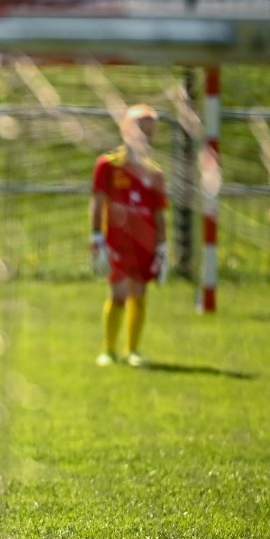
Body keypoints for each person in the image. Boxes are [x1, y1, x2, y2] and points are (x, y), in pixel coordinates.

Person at [91, 104, 168, 367]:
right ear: (125, 130)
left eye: (150, 131)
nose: (144, 136)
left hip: (144, 244)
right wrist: (96, 238)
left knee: (139, 293)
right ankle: (109, 350)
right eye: (140, 130)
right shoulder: (108, 165)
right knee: (119, 293)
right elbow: (97, 202)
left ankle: (133, 350)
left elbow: (159, 214)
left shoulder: (154, 173)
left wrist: (162, 248)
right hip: (116, 243)